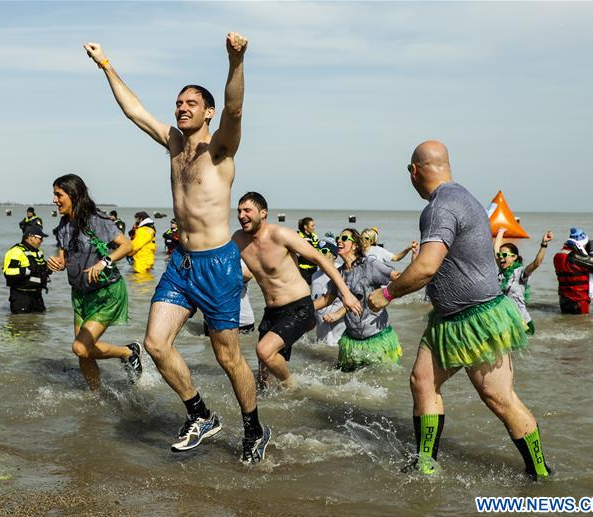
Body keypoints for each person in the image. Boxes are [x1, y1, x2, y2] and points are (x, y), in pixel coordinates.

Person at [85, 33, 273, 463]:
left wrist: (236, 61)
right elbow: (134, 110)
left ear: (207, 112)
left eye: (191, 103)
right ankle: (200, 414)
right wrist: (106, 65)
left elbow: (235, 109)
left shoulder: (220, 149)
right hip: (182, 265)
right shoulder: (173, 143)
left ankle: (254, 430)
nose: (182, 108)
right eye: (178, 103)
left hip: (218, 265)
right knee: (155, 344)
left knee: (228, 357)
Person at [367, 141, 550, 480]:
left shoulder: (440, 207)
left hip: (478, 318)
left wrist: (387, 294)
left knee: (499, 398)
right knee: (422, 381)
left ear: (414, 171)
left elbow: (426, 267)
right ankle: (425, 463)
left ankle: (540, 472)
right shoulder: (463, 197)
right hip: (447, 319)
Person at [233, 192, 360, 388]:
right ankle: (281, 401)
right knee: (263, 379)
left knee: (264, 351)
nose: (241, 215)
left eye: (247, 210)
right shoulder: (239, 239)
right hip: (271, 311)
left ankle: (292, 387)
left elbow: (319, 259)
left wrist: (347, 294)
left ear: (263, 213)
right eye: (239, 211)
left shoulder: (281, 235)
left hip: (299, 308)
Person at [46, 174, 143, 391]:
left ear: (73, 195)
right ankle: (95, 396)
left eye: (58, 195)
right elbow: (63, 259)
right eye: (54, 195)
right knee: (84, 353)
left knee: (80, 347)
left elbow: (127, 246)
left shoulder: (96, 220)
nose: (54, 200)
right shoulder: (63, 225)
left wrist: (104, 262)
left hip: (106, 293)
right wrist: (57, 264)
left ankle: (128, 352)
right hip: (80, 294)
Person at [314, 228, 402, 371]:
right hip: (351, 341)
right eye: (338, 238)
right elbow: (326, 299)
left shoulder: (370, 265)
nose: (339, 241)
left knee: (381, 378)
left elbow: (398, 278)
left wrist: (387, 295)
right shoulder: (338, 273)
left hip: (377, 338)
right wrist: (300, 307)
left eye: (344, 238)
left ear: (355, 245)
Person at [494, 228, 553, 333]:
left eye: (504, 255)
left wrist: (544, 244)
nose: (501, 257)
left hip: (521, 322)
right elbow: (495, 251)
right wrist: (500, 232)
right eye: (500, 255)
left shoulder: (520, 273)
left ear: (514, 257)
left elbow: (536, 263)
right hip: (505, 320)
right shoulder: (502, 271)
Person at [553, 227, 593, 315]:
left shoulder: (558, 255)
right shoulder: (574, 257)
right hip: (579, 300)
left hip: (563, 299)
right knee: (582, 322)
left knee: (566, 321)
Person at [4, 225, 51, 313]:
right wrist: (28, 270)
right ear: (31, 237)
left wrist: (49, 268)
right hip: (21, 296)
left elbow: (42, 268)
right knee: (22, 320)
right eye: (40, 238)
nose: (42, 241)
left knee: (40, 319)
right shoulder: (15, 252)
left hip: (37, 296)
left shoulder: (38, 252)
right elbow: (8, 272)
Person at [311, 242, 346, 346]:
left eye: (324, 251)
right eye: (317, 251)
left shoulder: (343, 271)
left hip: (340, 333)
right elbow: (315, 302)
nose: (319, 254)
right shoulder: (315, 275)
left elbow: (357, 300)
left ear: (334, 255)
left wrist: (338, 314)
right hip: (322, 334)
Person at [296, 217, 322, 284]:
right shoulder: (298, 236)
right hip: (302, 269)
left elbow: (318, 249)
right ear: (305, 227)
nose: (314, 228)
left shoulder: (314, 236)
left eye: (314, 225)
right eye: (312, 226)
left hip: (314, 268)